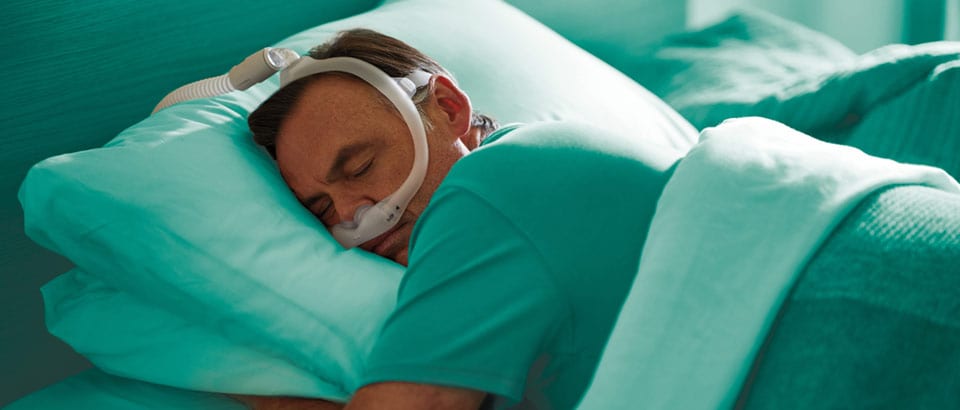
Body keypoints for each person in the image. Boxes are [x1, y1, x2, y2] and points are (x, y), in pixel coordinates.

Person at [241, 28, 679, 409]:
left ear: (448, 108)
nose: (352, 216)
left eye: (360, 167)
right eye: (322, 209)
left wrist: (265, 396)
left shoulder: (495, 183)